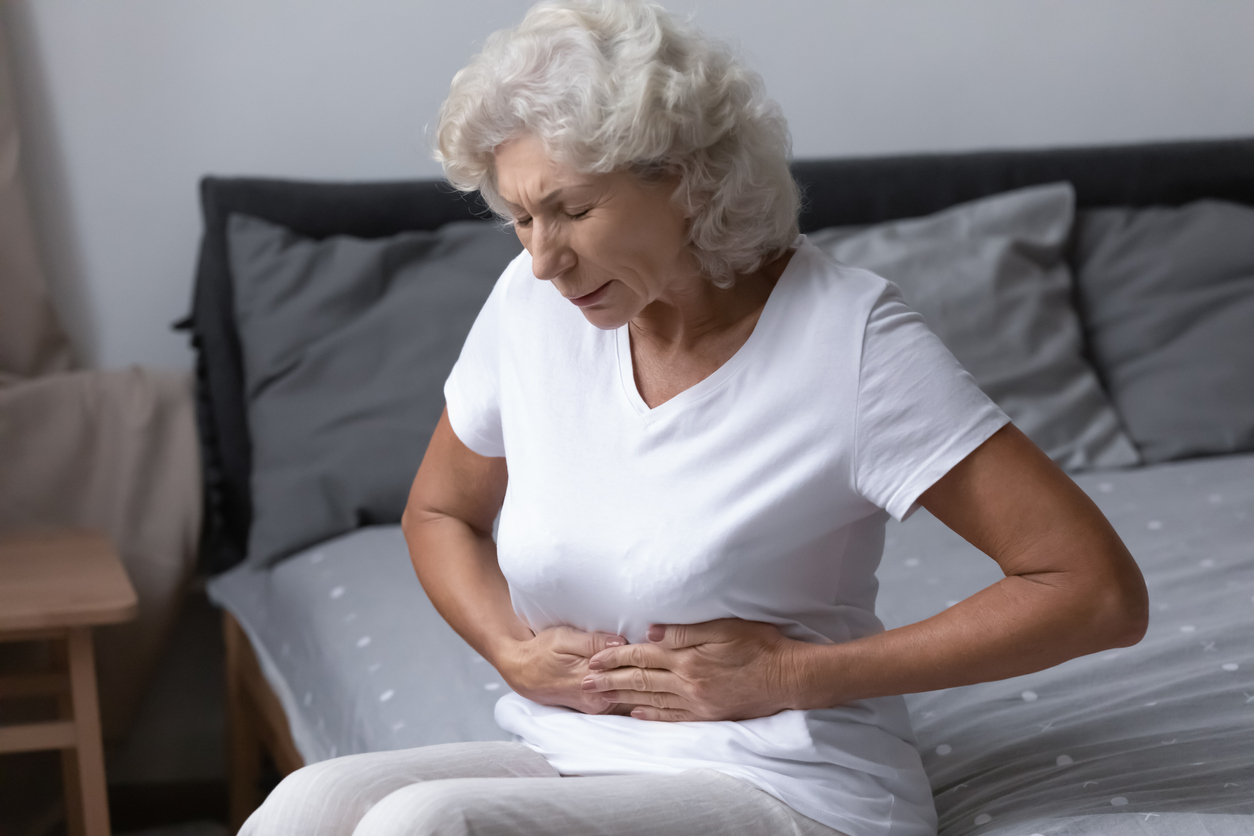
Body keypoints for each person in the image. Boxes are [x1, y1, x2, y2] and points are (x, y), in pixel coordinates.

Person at [240, 1, 1149, 834]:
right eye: (520, 218)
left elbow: (1093, 590)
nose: (545, 258)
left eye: (572, 210)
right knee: (311, 804)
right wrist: (511, 650)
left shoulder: (852, 339)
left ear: (686, 179)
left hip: (787, 781)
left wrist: (790, 673)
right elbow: (439, 512)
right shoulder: (530, 303)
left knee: (428, 826)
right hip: (578, 747)